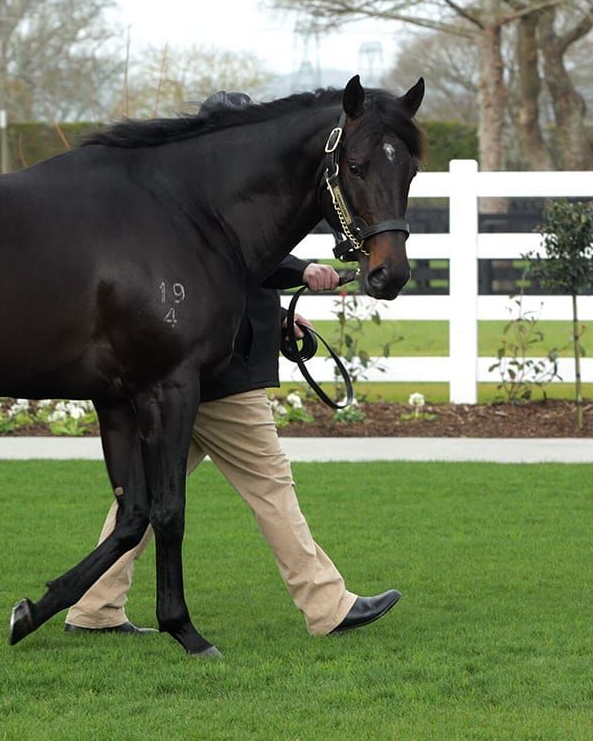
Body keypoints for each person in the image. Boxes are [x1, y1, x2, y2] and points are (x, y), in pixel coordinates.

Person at [62, 92, 401, 639]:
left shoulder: (202, 201)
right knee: (270, 483)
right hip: (221, 377)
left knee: (146, 490)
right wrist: (303, 269)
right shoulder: (220, 203)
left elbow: (240, 272)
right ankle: (327, 605)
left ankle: (94, 607)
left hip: (195, 372)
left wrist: (284, 316)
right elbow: (234, 265)